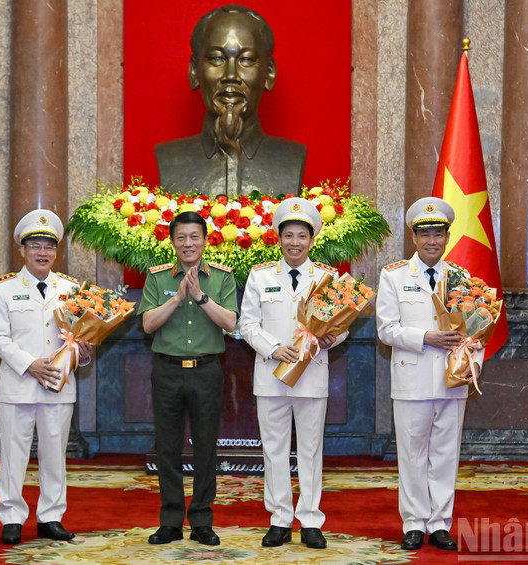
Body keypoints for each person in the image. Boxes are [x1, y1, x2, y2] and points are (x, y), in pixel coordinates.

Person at [375, 197, 484, 551]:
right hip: (411, 378)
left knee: (445, 454)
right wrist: (426, 338)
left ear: (448, 237)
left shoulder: (463, 278)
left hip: (452, 381)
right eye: (425, 235)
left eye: (439, 234)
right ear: (414, 238)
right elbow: (386, 330)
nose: (432, 241)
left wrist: (474, 365)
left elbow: (477, 334)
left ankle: (439, 523)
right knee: (411, 454)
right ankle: (413, 523)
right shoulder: (393, 275)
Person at [239, 198, 347, 549]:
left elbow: (340, 323)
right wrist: (273, 348)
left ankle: (311, 519)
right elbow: (248, 324)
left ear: (312, 240)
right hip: (271, 373)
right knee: (274, 450)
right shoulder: (260, 275)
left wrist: (334, 336)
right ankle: (280, 518)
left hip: (311, 375)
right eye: (289, 235)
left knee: (311, 450)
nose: (295, 242)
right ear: (279, 238)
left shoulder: (327, 277)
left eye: (302, 236)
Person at [0, 209, 93, 545]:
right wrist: (30, 364)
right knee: (13, 455)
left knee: (54, 454)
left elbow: (80, 336)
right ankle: (12, 517)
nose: (42, 252)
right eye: (35, 245)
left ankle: (51, 516)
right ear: (22, 250)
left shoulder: (72, 288)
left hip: (58, 387)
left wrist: (86, 351)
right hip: (18, 384)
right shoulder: (2, 288)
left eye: (49, 245)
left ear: (57, 251)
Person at [138, 211, 239, 546]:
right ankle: (170, 521)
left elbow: (230, 323)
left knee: (205, 447)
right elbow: (148, 325)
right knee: (167, 447)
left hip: (207, 371)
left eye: (194, 237)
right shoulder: (158, 277)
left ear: (206, 240)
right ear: (172, 241)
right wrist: (179, 297)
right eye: (181, 237)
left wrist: (199, 296)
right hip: (166, 371)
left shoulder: (222, 277)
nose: (188, 244)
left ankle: (201, 520)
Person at [155, 4, 306, 197]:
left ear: (269, 73)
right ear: (194, 71)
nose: (231, 75)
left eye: (246, 60)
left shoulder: (292, 159)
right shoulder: (170, 159)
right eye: (217, 59)